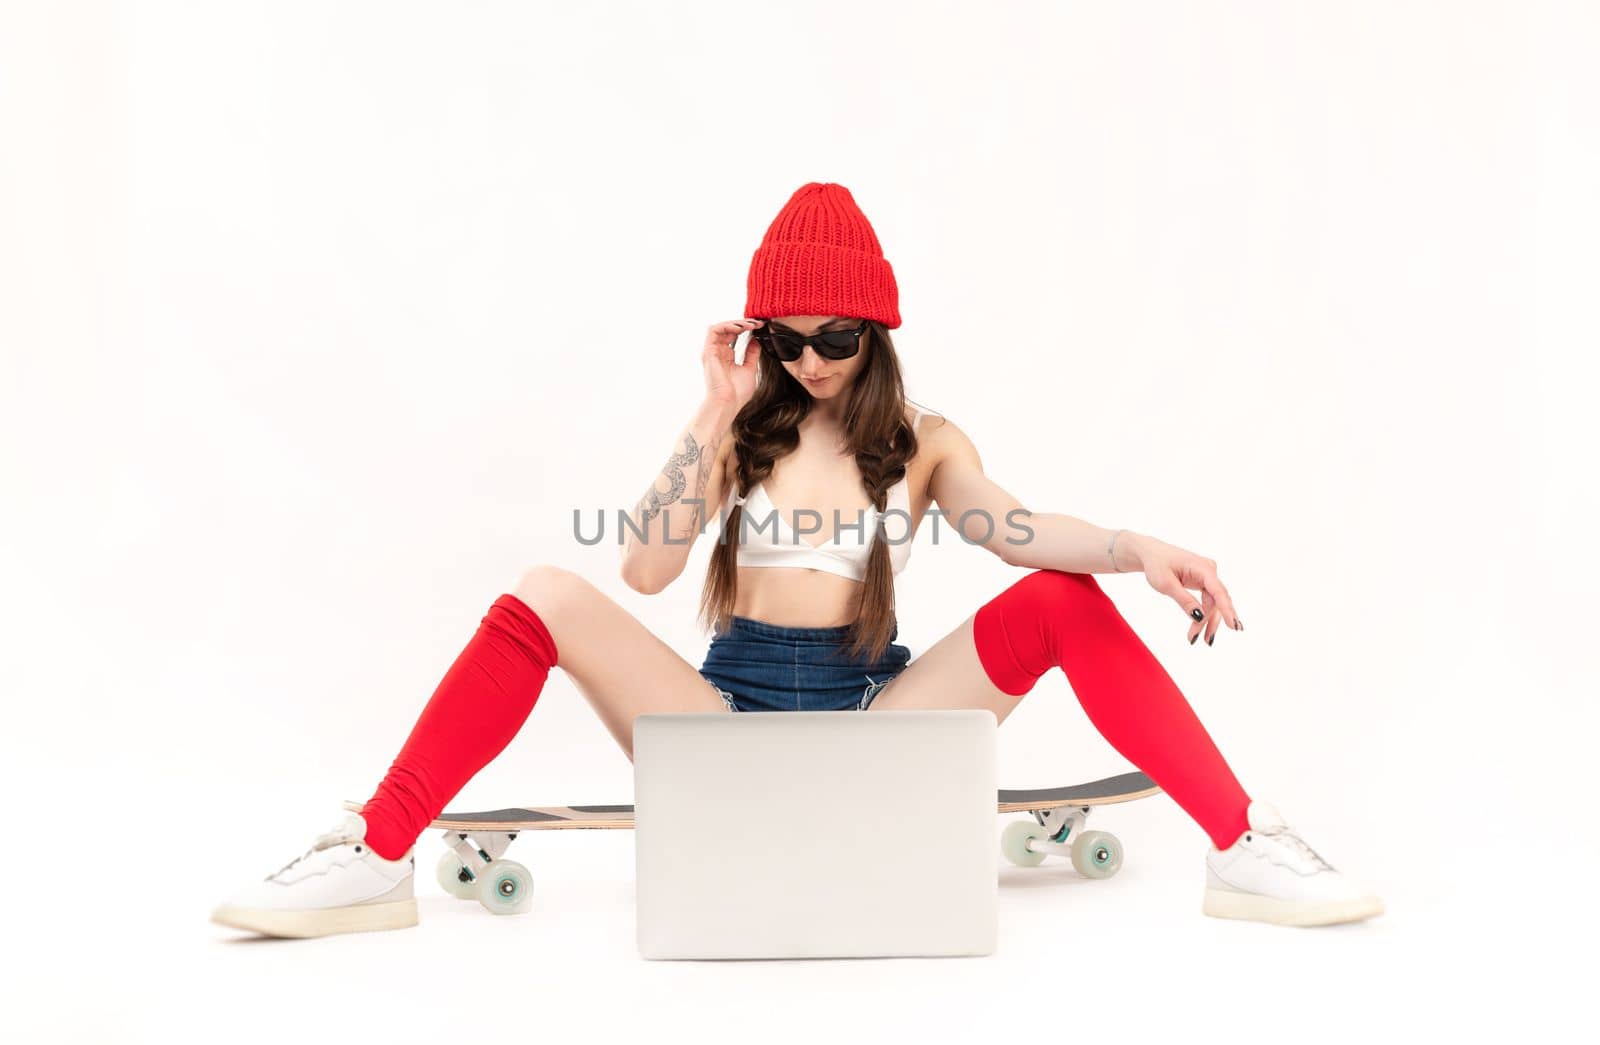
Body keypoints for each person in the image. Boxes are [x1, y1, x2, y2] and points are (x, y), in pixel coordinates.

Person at [211, 182, 1383, 939]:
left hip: (875, 709)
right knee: (543, 594)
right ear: (759, 334)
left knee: (1058, 599)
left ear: (873, 334)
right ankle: (375, 853)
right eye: (789, 337)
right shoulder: (741, 430)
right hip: (724, 712)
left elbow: (1020, 532)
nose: (813, 361)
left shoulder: (921, 441)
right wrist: (711, 411)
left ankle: (1241, 845)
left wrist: (1142, 548)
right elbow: (643, 572)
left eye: (837, 338)